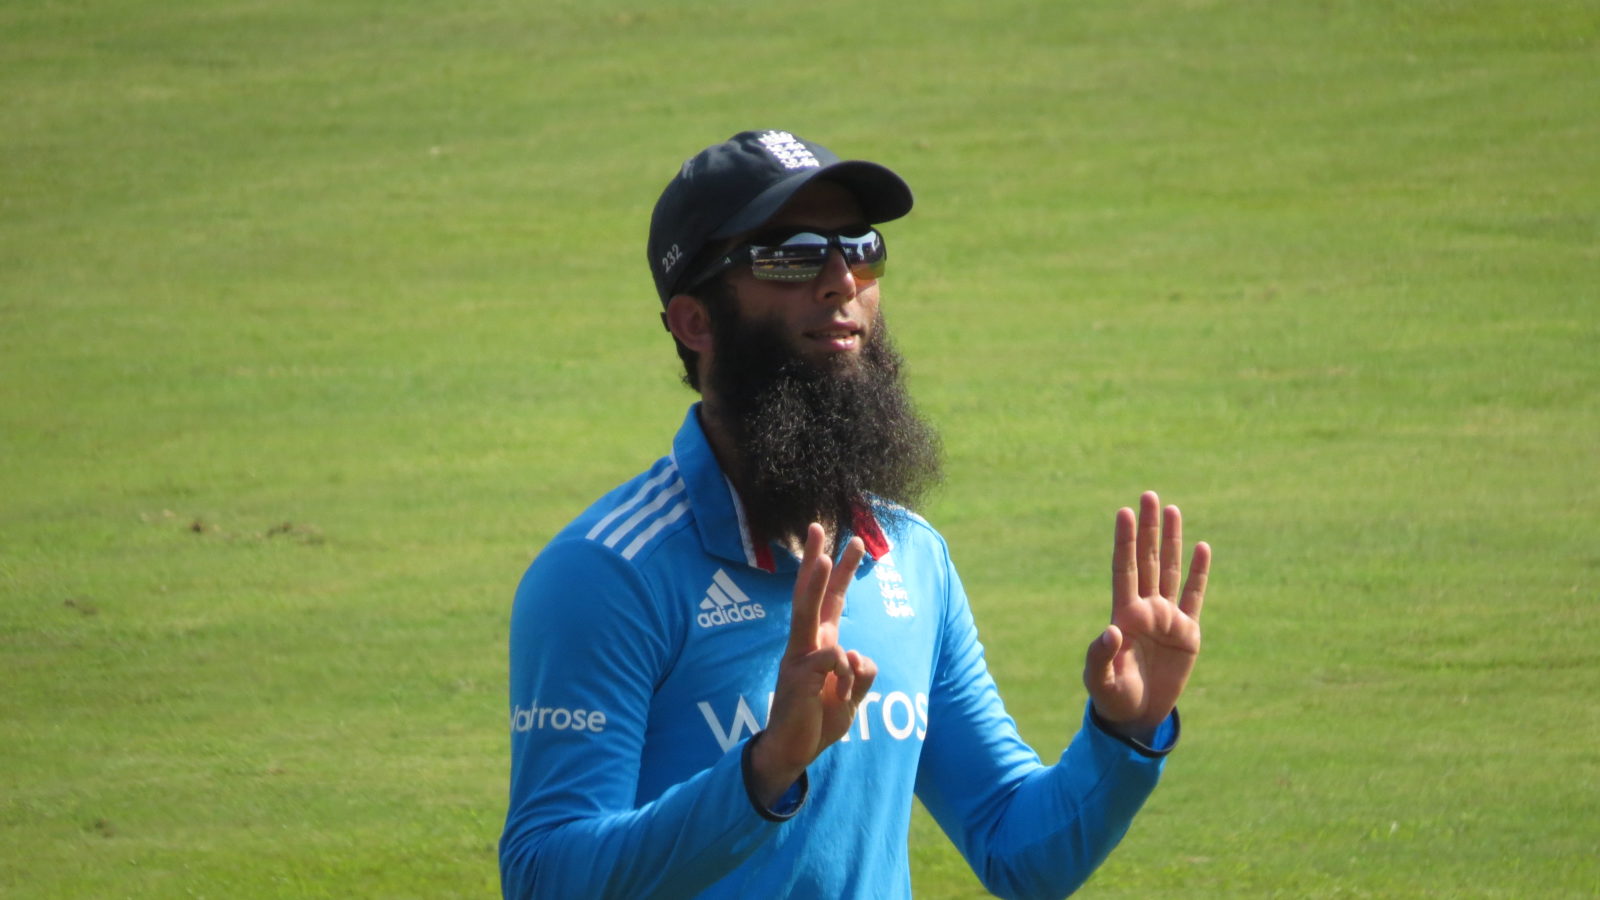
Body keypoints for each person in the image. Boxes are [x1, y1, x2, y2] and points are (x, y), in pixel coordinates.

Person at [499, 129, 1211, 899]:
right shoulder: (608, 575)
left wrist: (1123, 735)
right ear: (693, 322)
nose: (841, 279)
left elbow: (1019, 851)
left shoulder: (910, 558)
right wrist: (766, 768)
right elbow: (544, 876)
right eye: (790, 253)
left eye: (860, 246)